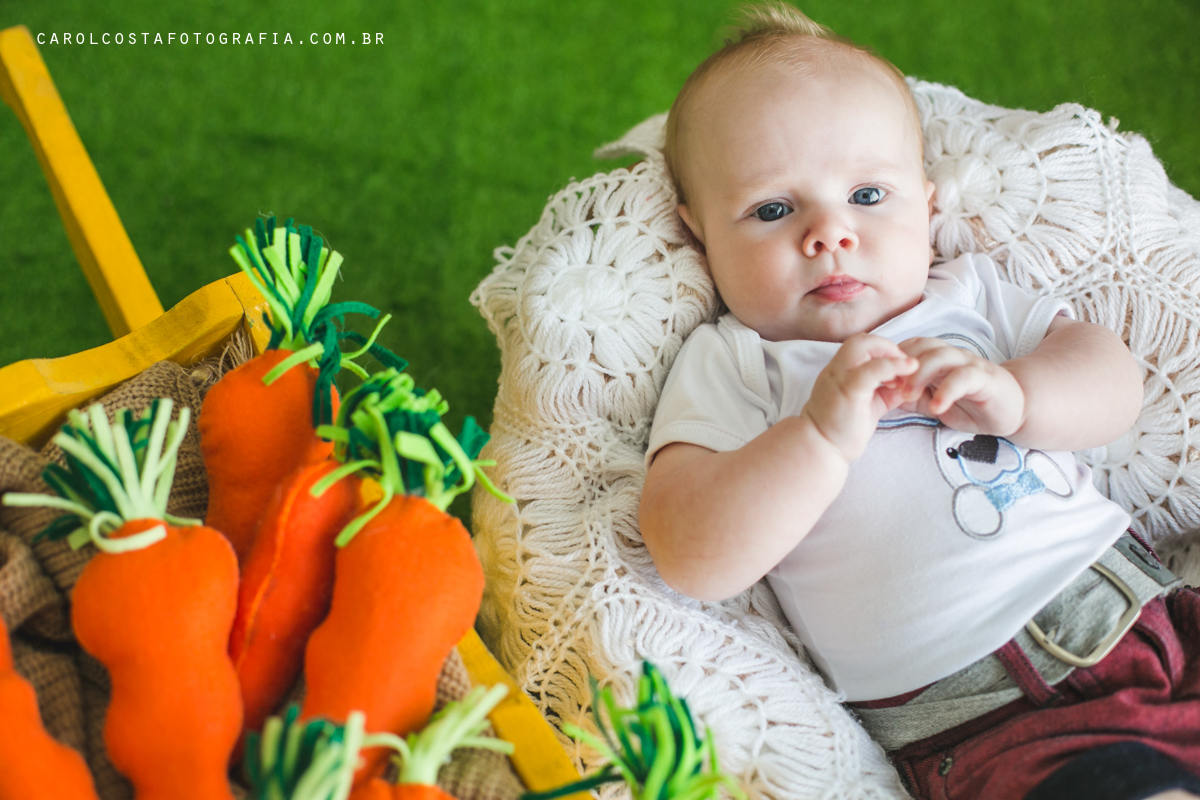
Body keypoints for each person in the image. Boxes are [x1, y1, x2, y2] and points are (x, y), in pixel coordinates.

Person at [637, 3, 1200, 798]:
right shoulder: (735, 363)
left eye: (869, 195)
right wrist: (819, 438)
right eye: (772, 209)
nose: (830, 233)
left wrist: (1018, 394)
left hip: (1148, 607)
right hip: (987, 717)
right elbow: (688, 550)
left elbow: (1115, 382)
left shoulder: (966, 296)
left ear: (928, 207)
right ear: (698, 233)